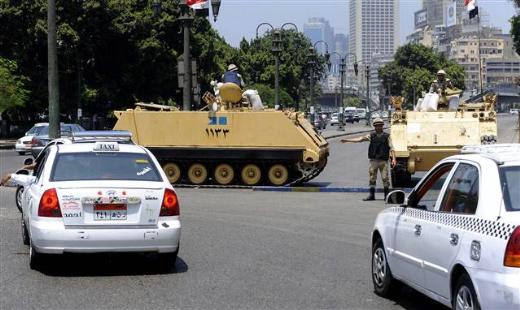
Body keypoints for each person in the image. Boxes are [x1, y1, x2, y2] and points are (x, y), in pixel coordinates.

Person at [340, 118, 396, 201]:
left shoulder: (387, 136)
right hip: (373, 160)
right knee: (372, 178)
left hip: (383, 161)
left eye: (380, 125)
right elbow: (360, 139)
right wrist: (347, 140)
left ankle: (386, 196)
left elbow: (392, 148)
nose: (378, 127)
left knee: (385, 178)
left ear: (382, 126)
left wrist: (394, 159)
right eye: (376, 126)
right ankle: (371, 195)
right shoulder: (371, 136)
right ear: (374, 127)